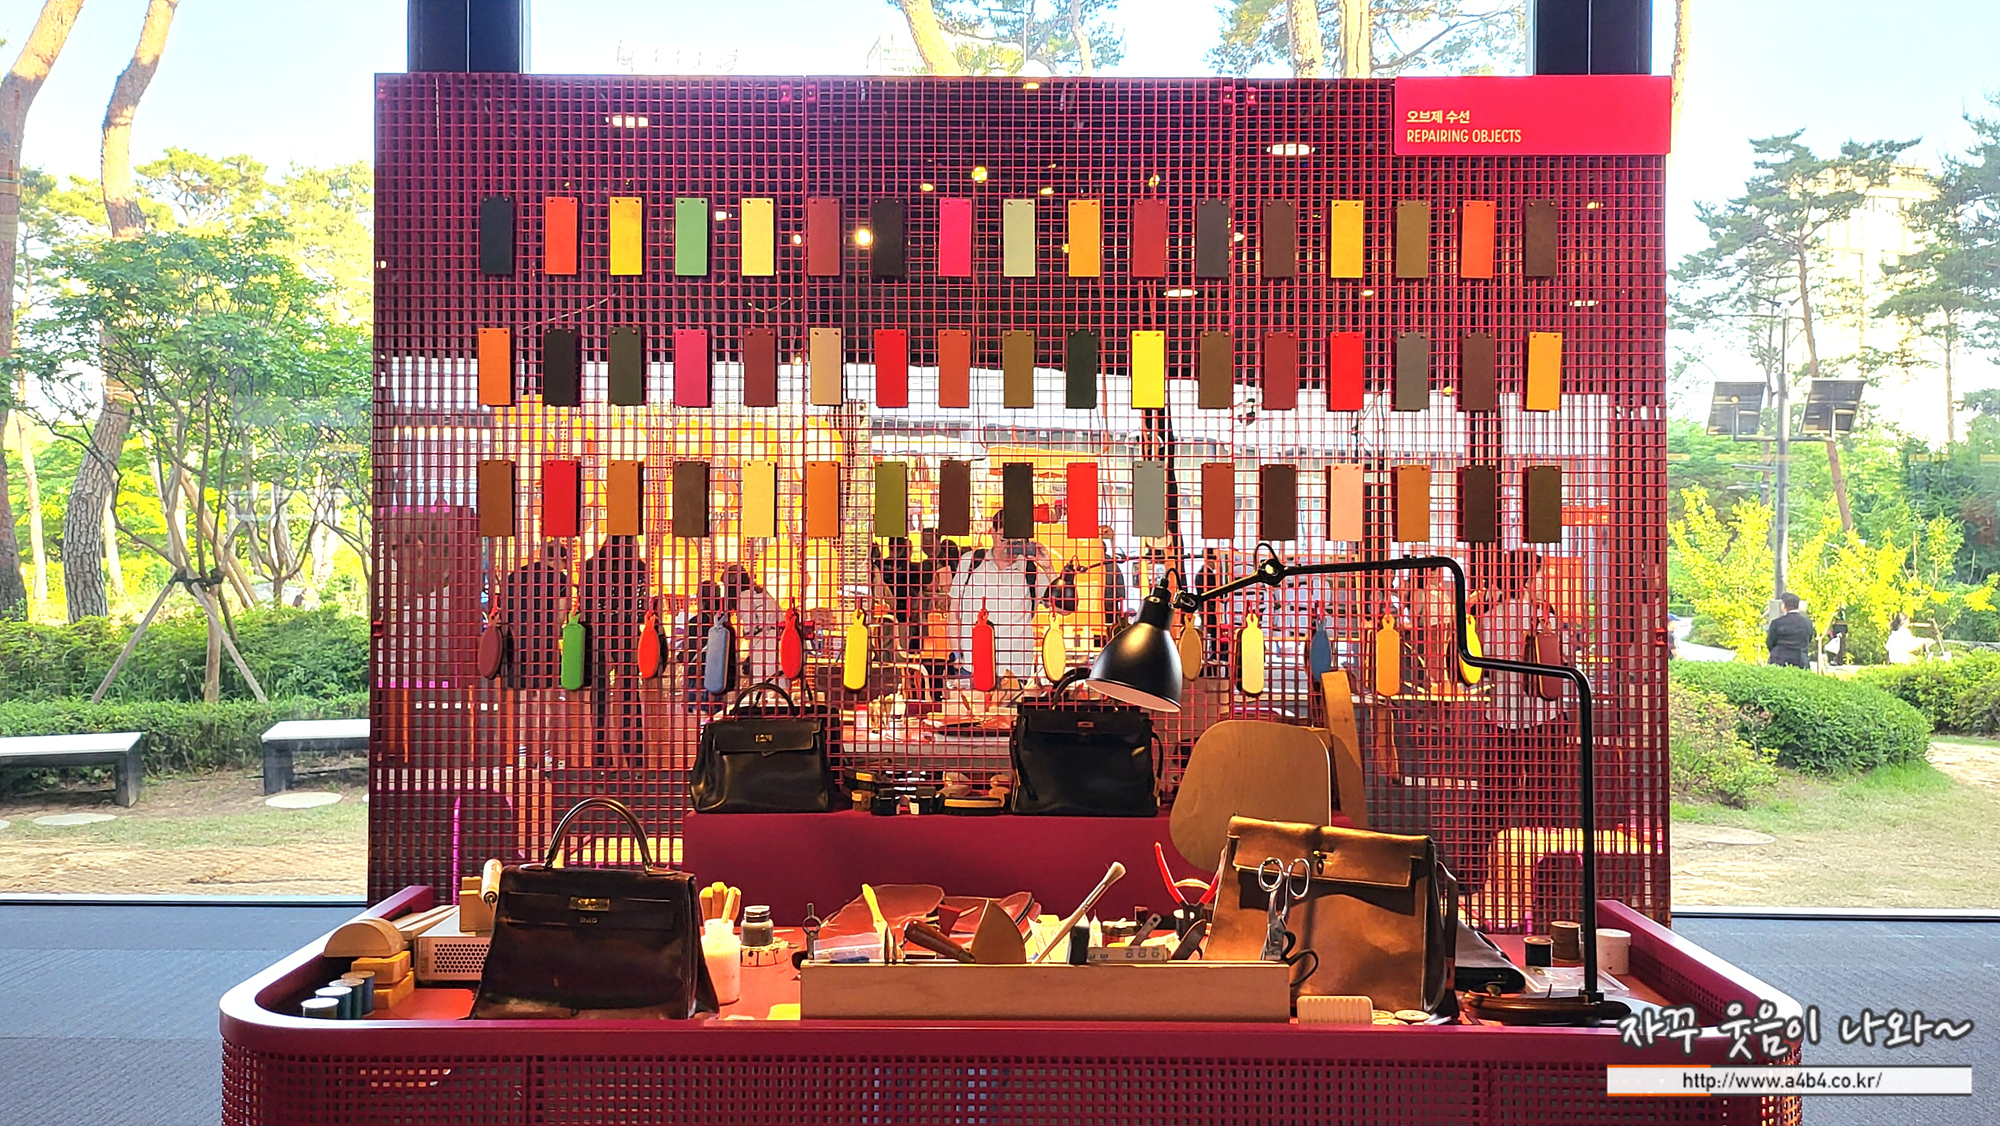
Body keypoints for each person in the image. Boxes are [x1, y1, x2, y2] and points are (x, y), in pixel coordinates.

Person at [949, 512, 1049, 681]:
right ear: (992, 532)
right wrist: (957, 655)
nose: (1009, 546)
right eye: (1004, 539)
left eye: (1015, 540)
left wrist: (1048, 567)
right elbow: (954, 612)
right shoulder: (971, 562)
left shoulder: (1030, 571)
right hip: (972, 667)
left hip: (1015, 671)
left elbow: (1064, 608)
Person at [1764, 593, 1815, 669]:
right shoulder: (1807, 623)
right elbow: (1808, 640)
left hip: (1779, 659)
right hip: (1800, 660)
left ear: (1783, 605)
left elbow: (1770, 642)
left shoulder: (1776, 623)